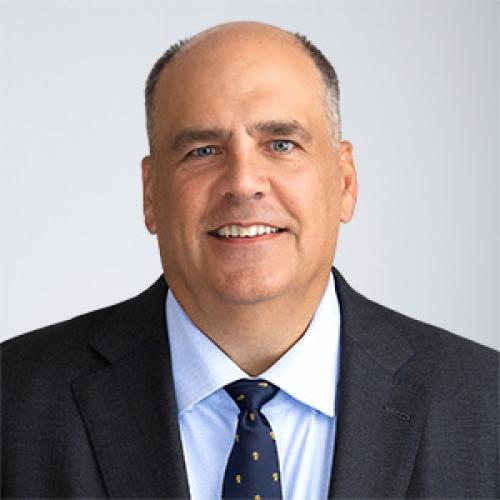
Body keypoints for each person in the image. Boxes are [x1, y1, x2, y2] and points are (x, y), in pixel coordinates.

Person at [2, 21, 497, 500]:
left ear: (345, 182)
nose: (243, 182)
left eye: (281, 144)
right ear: (151, 194)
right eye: (203, 150)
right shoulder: (13, 403)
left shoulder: (486, 406)